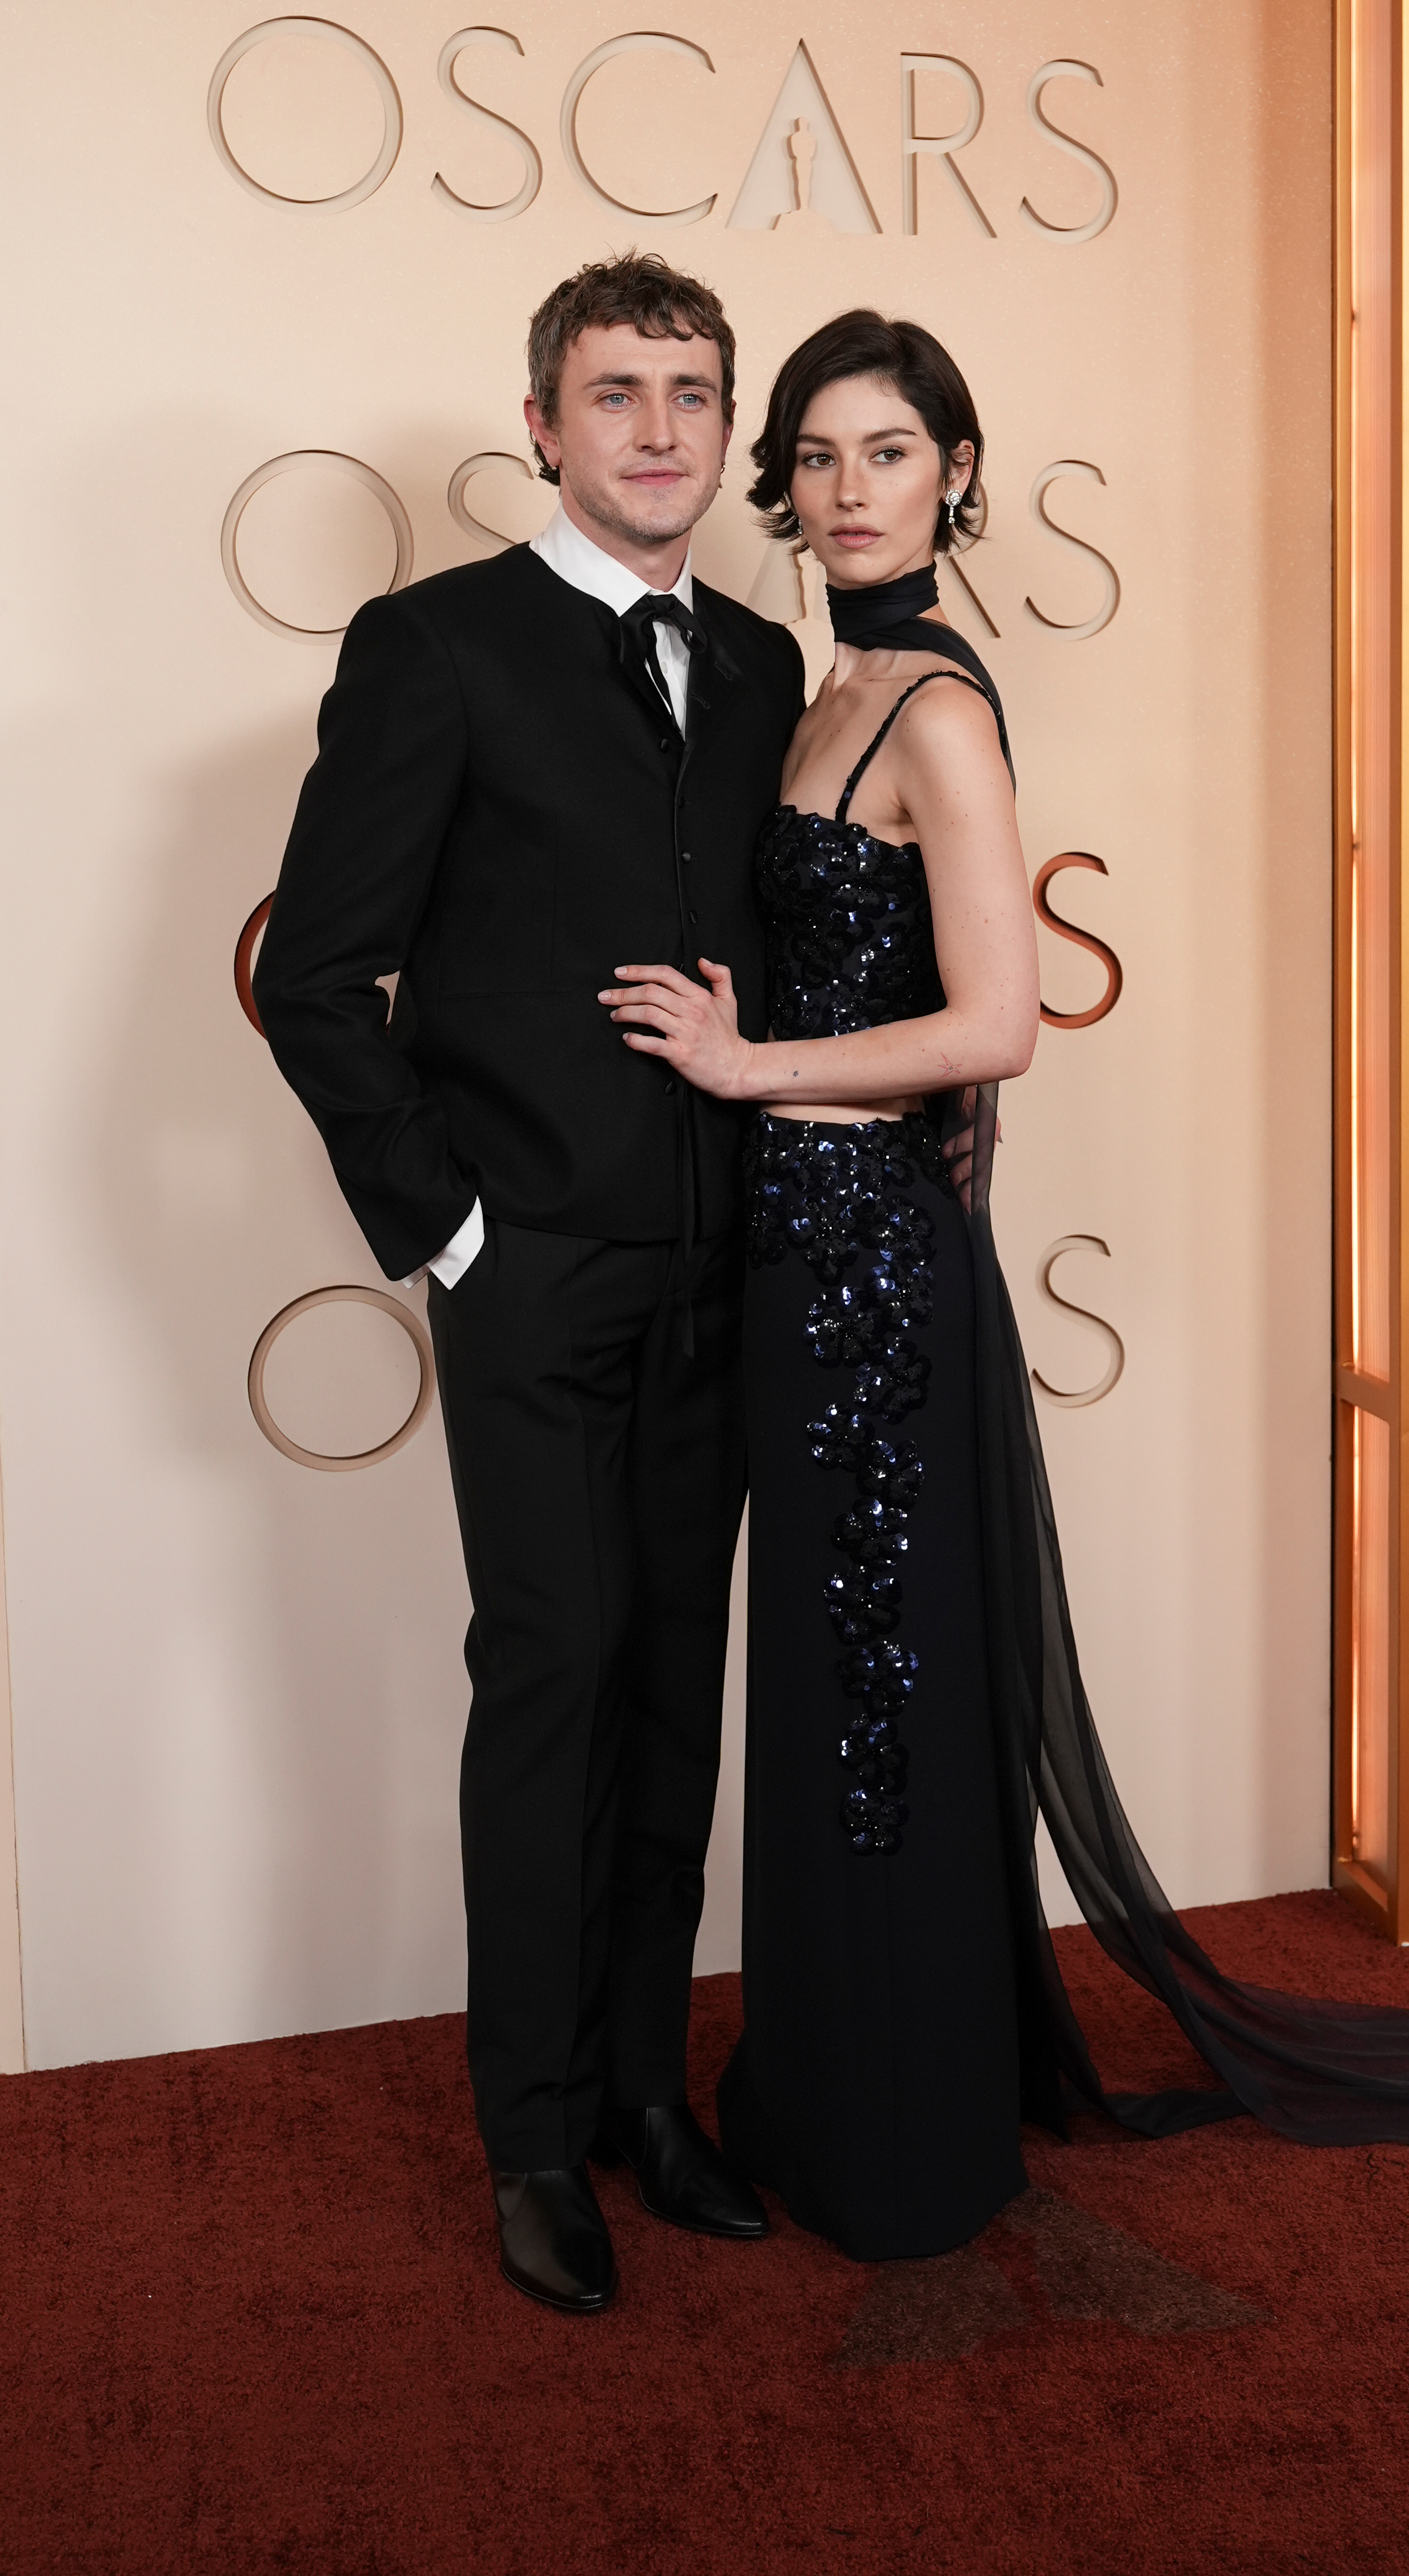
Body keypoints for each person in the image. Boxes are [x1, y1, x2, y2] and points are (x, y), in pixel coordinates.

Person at [601, 310, 1409, 2266]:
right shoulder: (822, 682)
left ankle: (900, 2138)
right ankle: (835, 2079)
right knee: (833, 1701)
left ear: (958, 474)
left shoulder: (934, 713)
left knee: (875, 1699)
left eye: (884, 453)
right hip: (814, 1262)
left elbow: (996, 1023)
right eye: (808, 456)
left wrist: (747, 1068)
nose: (839, 489)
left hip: (869, 1280)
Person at [254, 254, 806, 2314]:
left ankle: (651, 2098)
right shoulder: (437, 649)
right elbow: (317, 975)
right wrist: (453, 1227)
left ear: (719, 430)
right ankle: (531, 2133)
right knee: (553, 1682)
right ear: (545, 427)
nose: (658, 428)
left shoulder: (758, 668)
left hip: (721, 1269)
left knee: (680, 1696)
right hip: (539, 1271)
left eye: (689, 393)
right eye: (617, 392)